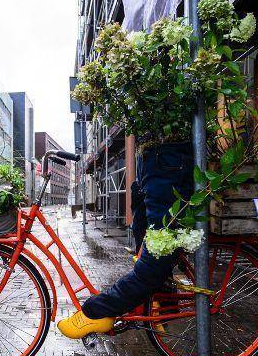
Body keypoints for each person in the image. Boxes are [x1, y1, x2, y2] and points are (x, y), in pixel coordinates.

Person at [57, 141, 194, 339]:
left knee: (150, 267)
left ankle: (96, 311)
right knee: (144, 238)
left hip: (165, 160)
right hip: (154, 162)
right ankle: (158, 302)